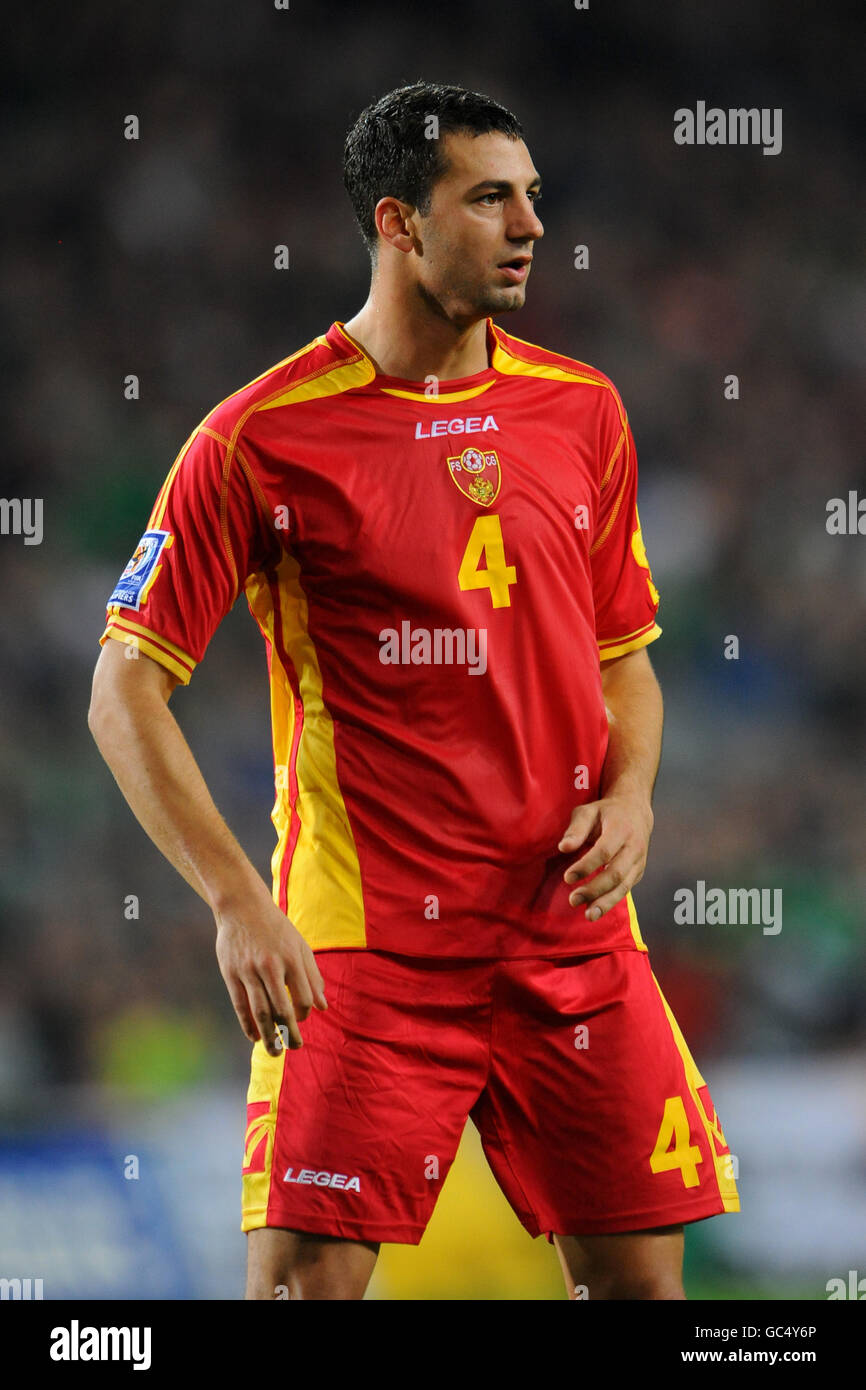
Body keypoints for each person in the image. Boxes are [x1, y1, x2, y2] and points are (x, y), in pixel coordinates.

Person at [88, 80, 738, 1301]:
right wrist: (235, 900)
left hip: (570, 933)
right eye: (488, 197)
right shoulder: (256, 438)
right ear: (397, 223)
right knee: (301, 1295)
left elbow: (624, 660)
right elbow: (123, 693)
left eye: (532, 196)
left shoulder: (581, 410)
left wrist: (636, 794)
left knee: (648, 1296)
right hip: (366, 953)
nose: (530, 225)